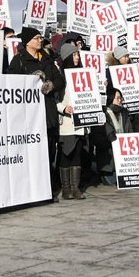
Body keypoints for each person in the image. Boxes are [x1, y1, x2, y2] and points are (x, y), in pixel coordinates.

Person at [8, 27, 63, 199]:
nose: (40, 40)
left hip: (48, 114)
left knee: (48, 151)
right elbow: (11, 86)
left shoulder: (47, 58)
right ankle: (31, 189)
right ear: (27, 42)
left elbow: (60, 79)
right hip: (28, 117)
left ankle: (47, 188)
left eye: (41, 38)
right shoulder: (18, 61)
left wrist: (51, 85)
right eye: (37, 38)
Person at [55, 45, 87, 199]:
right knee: (65, 154)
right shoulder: (60, 77)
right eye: (73, 55)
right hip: (66, 123)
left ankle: (75, 188)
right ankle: (66, 188)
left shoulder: (83, 74)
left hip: (81, 123)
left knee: (77, 154)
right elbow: (54, 101)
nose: (77, 58)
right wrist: (63, 108)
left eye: (78, 55)